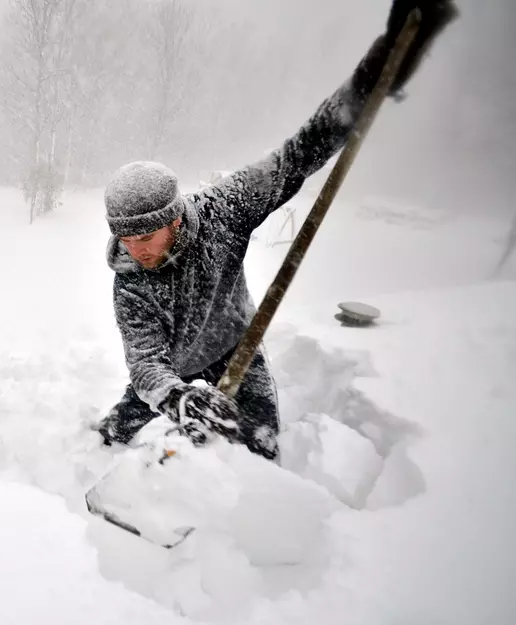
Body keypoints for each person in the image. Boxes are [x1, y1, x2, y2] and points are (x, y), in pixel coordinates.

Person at [95, 0, 457, 460]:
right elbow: (146, 363)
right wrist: (177, 397)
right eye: (125, 238)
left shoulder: (222, 212)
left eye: (144, 237)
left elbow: (299, 152)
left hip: (234, 347)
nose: (135, 249)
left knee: (260, 446)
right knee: (110, 435)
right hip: (174, 370)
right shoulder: (129, 279)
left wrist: (376, 72)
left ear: (175, 219)